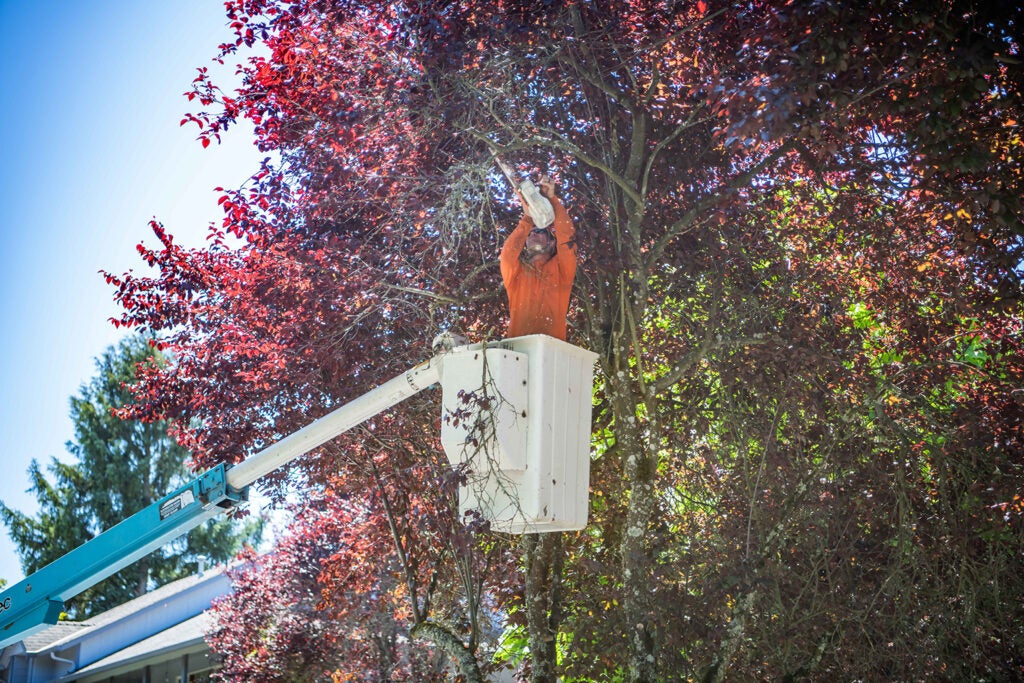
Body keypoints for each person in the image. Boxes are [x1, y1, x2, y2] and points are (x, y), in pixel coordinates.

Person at [500, 175, 577, 340]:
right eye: (531, 233)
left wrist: (552, 200)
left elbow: (567, 239)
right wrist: (527, 219)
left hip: (550, 352)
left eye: (540, 231)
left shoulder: (561, 270)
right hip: (517, 351)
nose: (533, 233)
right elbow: (507, 256)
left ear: (551, 243)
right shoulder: (517, 273)